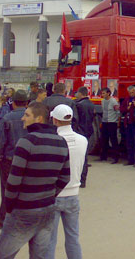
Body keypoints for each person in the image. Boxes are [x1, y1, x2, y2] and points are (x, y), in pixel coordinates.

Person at [0, 102, 70, 259]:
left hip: (24, 209)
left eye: (27, 115)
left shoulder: (27, 141)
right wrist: (50, 195)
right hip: (47, 209)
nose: (22, 118)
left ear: (39, 119)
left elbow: (13, 181)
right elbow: (65, 177)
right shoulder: (61, 142)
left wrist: (10, 206)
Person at [47, 104, 87, 259]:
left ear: (55, 120)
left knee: (50, 240)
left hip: (54, 195)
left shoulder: (52, 141)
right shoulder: (82, 140)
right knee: (73, 238)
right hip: (73, 194)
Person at [0, 90, 29, 229]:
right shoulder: (31, 117)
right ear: (26, 103)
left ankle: (4, 219)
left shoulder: (7, 118)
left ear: (13, 103)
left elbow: (0, 142)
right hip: (26, 159)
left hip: (9, 159)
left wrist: (0, 156)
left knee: (7, 189)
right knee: (24, 189)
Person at [75, 86, 95, 187]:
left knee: (78, 157)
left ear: (80, 93)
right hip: (88, 132)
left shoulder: (78, 105)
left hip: (79, 132)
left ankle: (78, 179)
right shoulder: (91, 105)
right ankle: (83, 180)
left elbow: (76, 120)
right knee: (85, 157)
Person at [120, 85, 135, 166]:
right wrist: (127, 108)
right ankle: (130, 160)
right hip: (128, 123)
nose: (131, 94)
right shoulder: (127, 99)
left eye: (133, 92)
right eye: (130, 92)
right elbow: (122, 109)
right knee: (129, 142)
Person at [99, 87, 120, 164]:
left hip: (112, 122)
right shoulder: (103, 101)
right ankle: (103, 156)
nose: (102, 95)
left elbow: (117, 112)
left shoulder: (113, 101)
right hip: (105, 122)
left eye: (104, 93)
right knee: (104, 139)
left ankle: (115, 157)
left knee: (113, 140)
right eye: (102, 93)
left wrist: (118, 121)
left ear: (108, 93)